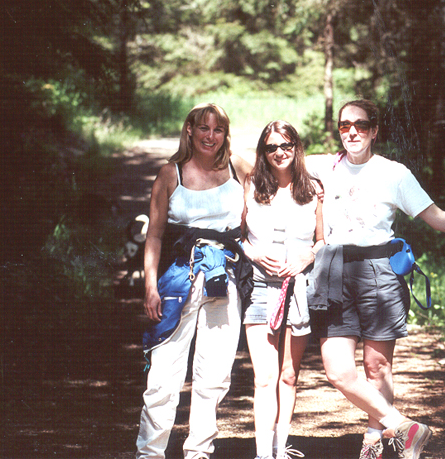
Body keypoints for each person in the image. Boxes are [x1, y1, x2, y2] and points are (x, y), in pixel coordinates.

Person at [305, 99, 445, 459]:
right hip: (334, 271)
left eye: (361, 125)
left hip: (379, 272)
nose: (352, 131)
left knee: (377, 365)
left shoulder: (394, 173)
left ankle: (374, 442)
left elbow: (435, 216)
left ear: (374, 131)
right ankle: (404, 425)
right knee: (338, 370)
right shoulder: (323, 166)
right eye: (344, 126)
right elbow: (267, 161)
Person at [136, 103, 252, 459]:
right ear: (190, 130)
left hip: (225, 277)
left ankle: (199, 452)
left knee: (215, 373)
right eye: (203, 128)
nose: (210, 136)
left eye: (217, 130)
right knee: (163, 374)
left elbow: (276, 186)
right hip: (178, 278)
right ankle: (150, 453)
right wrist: (150, 287)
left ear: (225, 134)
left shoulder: (239, 166)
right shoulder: (170, 174)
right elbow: (154, 235)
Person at [241, 121, 325, 459]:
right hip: (260, 285)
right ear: (263, 151)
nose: (280, 152)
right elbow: (237, 236)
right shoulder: (249, 185)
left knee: (288, 375)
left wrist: (309, 254)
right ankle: (263, 454)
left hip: (298, 288)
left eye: (286, 145)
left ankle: (281, 448)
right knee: (265, 377)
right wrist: (253, 252)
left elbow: (322, 240)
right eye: (272, 147)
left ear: (297, 148)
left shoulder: (313, 189)